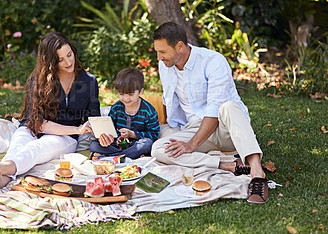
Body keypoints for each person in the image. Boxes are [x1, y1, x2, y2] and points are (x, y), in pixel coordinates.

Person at [151, 22, 268, 204]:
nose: (159, 57)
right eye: (157, 52)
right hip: (194, 129)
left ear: (180, 46)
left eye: (163, 52)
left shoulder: (213, 61)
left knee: (229, 106)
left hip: (224, 129)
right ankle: (228, 165)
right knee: (158, 148)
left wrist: (190, 146)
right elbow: (169, 102)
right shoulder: (166, 66)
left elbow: (214, 112)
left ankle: (256, 172)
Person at [0, 31, 100, 188]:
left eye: (69, 55)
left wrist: (95, 131)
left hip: (66, 136)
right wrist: (78, 128)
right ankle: (1, 180)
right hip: (34, 127)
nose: (69, 62)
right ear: (50, 63)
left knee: (35, 148)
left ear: (73, 51)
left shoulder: (88, 81)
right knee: (17, 146)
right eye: (60, 60)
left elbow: (94, 119)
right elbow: (37, 122)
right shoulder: (39, 80)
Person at [89, 68, 160, 159]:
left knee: (147, 144)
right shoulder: (116, 108)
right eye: (121, 94)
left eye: (130, 94)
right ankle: (124, 156)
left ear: (141, 91)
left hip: (135, 144)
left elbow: (153, 135)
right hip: (117, 144)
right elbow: (111, 128)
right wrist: (116, 138)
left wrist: (132, 134)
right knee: (94, 145)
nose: (126, 98)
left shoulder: (148, 111)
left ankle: (112, 157)